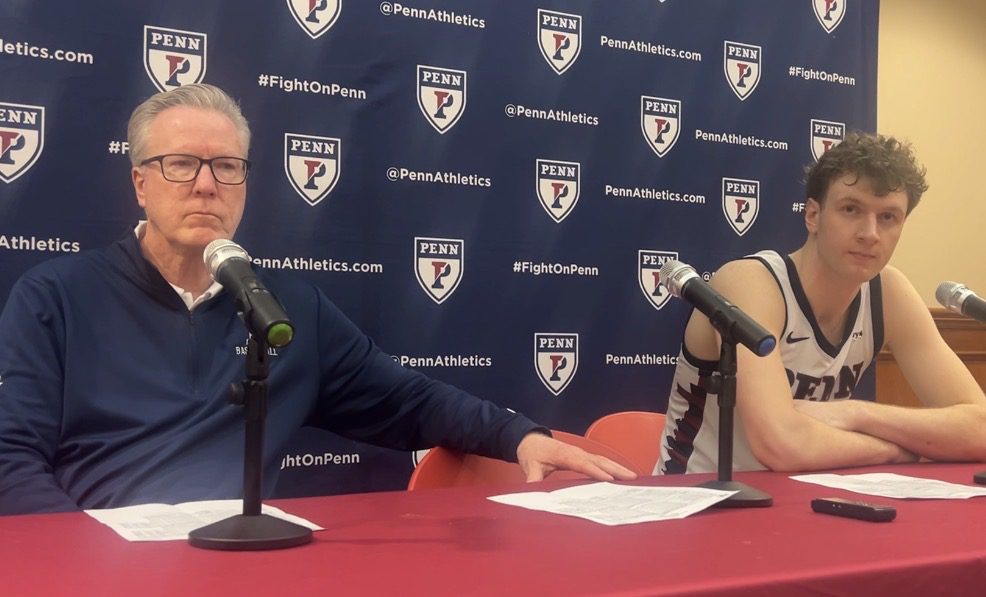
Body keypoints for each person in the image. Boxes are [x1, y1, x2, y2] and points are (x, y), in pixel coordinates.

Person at [0, 84, 634, 515]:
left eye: (227, 167)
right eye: (181, 164)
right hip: (101, 559)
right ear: (140, 183)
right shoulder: (56, 298)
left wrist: (518, 436)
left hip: (238, 562)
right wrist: (83, 556)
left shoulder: (284, 307)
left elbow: (407, 400)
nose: (205, 185)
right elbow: (10, 458)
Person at [658, 132, 986, 474]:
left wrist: (858, 413)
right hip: (701, 493)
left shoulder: (888, 293)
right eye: (851, 209)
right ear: (813, 215)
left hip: (807, 493)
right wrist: (896, 451)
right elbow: (780, 443)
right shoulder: (752, 283)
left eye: (888, 217)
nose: (870, 233)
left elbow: (980, 429)